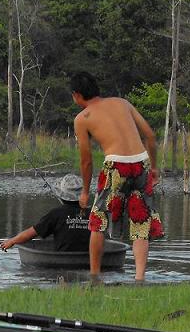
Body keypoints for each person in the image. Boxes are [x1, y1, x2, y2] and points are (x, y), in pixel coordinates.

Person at [70, 70, 164, 280]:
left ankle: (95, 276)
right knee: (141, 221)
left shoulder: (82, 118)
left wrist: (85, 191)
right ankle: (139, 278)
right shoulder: (122, 103)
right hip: (141, 163)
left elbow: (86, 160)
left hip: (116, 166)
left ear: (77, 95)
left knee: (98, 221)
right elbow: (149, 135)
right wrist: (154, 168)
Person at [0, 174, 91, 253]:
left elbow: (30, 233)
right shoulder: (92, 213)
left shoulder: (56, 214)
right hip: (88, 260)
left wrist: (12, 241)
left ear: (61, 195)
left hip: (62, 261)